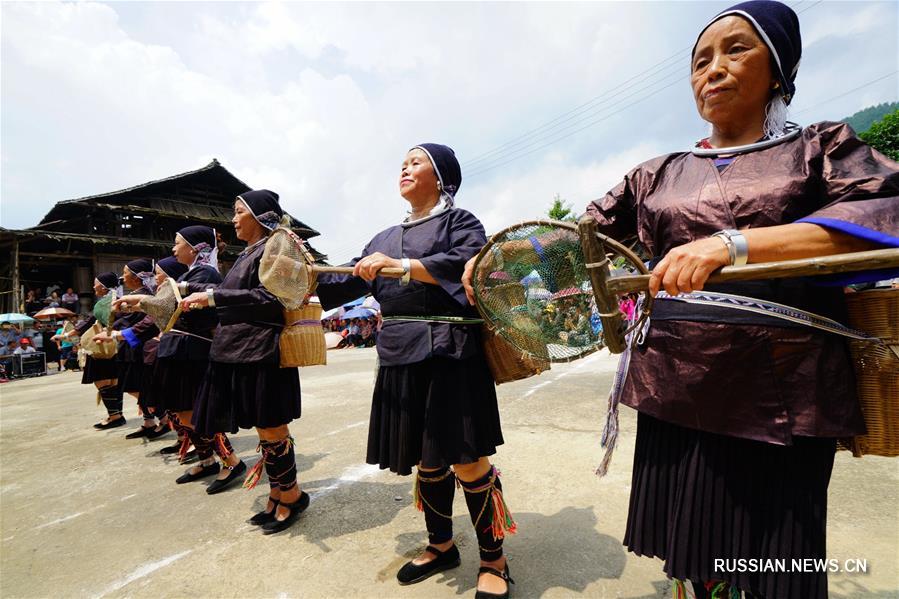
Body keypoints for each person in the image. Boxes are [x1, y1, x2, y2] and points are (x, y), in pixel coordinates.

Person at [464, 3, 897, 597]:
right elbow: (578, 234)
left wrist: (733, 245)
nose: (713, 70)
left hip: (786, 385)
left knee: (780, 563)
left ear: (778, 70)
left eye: (736, 50)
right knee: (694, 548)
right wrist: (496, 257)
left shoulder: (822, 147)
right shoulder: (657, 173)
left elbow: (880, 216)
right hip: (677, 380)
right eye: (700, 61)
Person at [317, 144, 515, 599]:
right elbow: (344, 278)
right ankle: (441, 544)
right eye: (402, 163)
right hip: (399, 355)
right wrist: (300, 271)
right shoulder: (382, 237)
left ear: (442, 177)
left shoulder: (461, 222)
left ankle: (493, 558)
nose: (405, 168)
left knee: (465, 458)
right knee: (427, 461)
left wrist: (403, 267)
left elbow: (465, 264)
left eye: (416, 161)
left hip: (450, 352)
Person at [180, 191, 303, 531]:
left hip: (262, 349)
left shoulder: (274, 248)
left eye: (238, 212)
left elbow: (275, 298)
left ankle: (291, 493)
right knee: (264, 428)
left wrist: (214, 296)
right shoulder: (247, 254)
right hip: (237, 349)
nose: (233, 219)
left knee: (273, 425)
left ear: (259, 216)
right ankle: (278, 491)